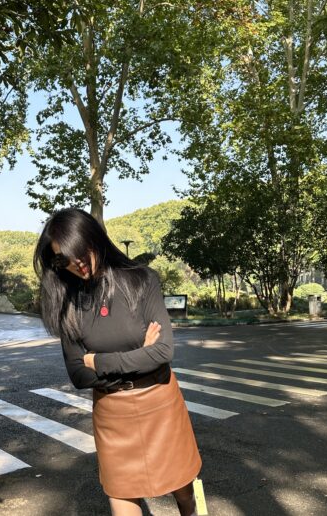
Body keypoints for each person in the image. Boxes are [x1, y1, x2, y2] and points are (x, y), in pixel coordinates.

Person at [33, 208, 202, 516]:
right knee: (122, 497)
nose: (75, 263)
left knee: (184, 491)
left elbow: (163, 352)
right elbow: (78, 375)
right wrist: (139, 357)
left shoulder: (141, 280)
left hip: (160, 400)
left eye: (79, 251)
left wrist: (97, 360)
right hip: (112, 413)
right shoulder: (68, 303)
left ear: (93, 239)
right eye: (62, 259)